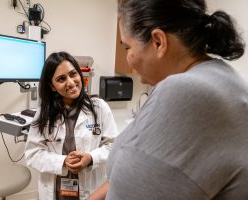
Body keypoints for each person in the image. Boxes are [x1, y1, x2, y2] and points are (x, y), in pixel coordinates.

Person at [89, 0, 248, 199]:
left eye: (127, 47)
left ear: (158, 42)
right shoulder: (224, 78)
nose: (128, 57)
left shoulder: (186, 91)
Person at [25, 51, 119, 200]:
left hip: (91, 190)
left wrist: (90, 158)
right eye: (61, 79)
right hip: (55, 191)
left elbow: (113, 146)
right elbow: (32, 153)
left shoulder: (99, 107)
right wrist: (62, 161)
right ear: (52, 86)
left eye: (73, 74)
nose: (70, 82)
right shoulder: (44, 113)